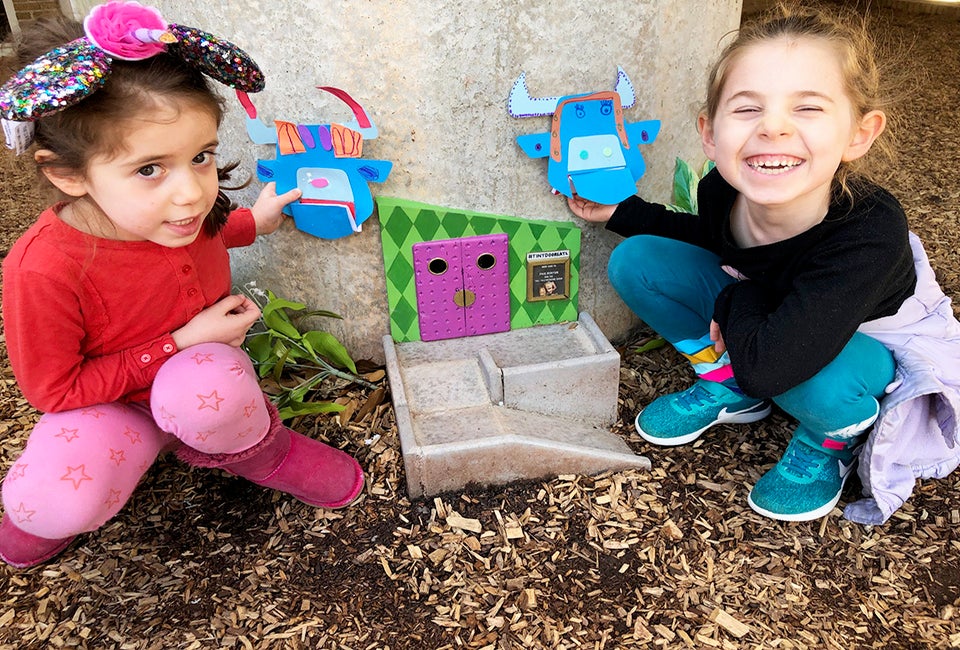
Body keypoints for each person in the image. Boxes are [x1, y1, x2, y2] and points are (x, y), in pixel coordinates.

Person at [0, 2, 364, 568]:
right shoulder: (41, 270)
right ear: (67, 174)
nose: (193, 193)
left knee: (204, 389)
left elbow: (210, 235)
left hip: (201, 389)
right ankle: (62, 507)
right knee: (48, 503)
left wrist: (256, 220)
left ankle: (259, 451)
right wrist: (181, 342)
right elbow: (54, 392)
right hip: (109, 406)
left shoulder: (180, 215)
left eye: (201, 157)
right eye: (149, 168)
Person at [567, 2, 960, 523]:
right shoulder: (721, 189)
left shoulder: (866, 232)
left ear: (858, 134)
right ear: (710, 133)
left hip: (863, 343)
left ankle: (832, 438)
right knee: (638, 260)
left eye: (808, 108)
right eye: (748, 109)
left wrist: (737, 297)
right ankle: (725, 381)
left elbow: (774, 364)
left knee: (814, 380)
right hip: (776, 321)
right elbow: (712, 239)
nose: (773, 128)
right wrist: (623, 212)